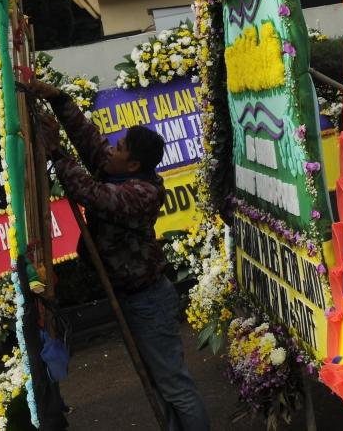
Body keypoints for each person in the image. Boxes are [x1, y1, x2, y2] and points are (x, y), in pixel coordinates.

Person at [28, 79, 210, 431]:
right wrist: (59, 99)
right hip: (131, 298)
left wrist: (56, 153)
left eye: (120, 147)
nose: (111, 148)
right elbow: (89, 140)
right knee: (159, 385)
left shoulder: (142, 192)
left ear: (133, 165)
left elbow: (90, 194)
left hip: (148, 302)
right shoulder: (115, 168)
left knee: (175, 386)